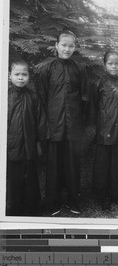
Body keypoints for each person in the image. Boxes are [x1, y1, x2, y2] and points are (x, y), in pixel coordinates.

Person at [35, 30, 89, 216]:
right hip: (53, 125)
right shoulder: (46, 69)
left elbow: (85, 98)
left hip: (73, 125)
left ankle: (74, 200)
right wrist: (45, 127)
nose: (67, 49)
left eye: (71, 46)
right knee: (54, 165)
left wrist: (83, 126)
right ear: (56, 45)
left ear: (75, 47)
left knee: (73, 164)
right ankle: (54, 202)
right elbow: (41, 99)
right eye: (63, 45)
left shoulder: (80, 69)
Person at [92, 50, 118, 211]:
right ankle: (103, 196)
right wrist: (98, 127)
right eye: (110, 63)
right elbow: (94, 107)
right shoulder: (99, 83)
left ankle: (117, 194)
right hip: (105, 131)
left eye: (117, 63)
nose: (114, 66)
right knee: (103, 165)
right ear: (105, 65)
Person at [6, 60, 46, 216]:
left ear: (29, 77)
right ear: (10, 76)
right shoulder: (5, 96)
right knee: (13, 178)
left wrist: (39, 143)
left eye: (24, 74)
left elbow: (40, 122)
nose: (20, 78)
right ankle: (12, 207)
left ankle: (31, 207)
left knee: (29, 177)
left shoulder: (33, 97)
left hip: (29, 146)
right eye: (17, 74)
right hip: (11, 146)